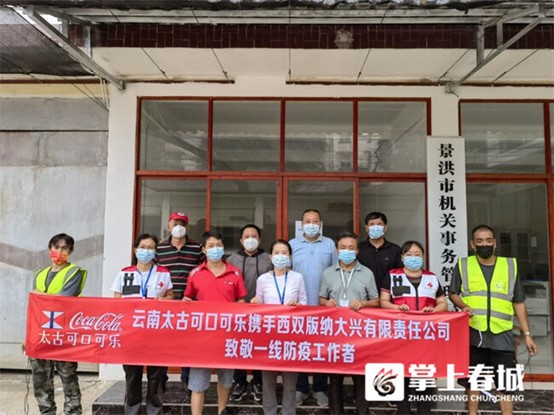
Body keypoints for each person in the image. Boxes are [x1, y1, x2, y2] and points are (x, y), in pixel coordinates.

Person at [449, 225, 538, 415]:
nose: (485, 244)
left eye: (488, 240)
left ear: (495, 243)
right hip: (474, 334)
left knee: (505, 384)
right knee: (473, 382)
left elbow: (518, 301)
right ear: (472, 244)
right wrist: (463, 305)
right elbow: (453, 293)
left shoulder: (509, 266)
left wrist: (527, 334)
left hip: (502, 335)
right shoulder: (463, 265)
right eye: (480, 241)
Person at [184, 230, 248, 415]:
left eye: (219, 245)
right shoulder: (195, 273)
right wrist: (186, 303)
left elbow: (241, 300)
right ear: (204, 250)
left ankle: (222, 411)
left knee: (226, 379)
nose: (215, 249)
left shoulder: (234, 272)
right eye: (211, 246)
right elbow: (188, 299)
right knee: (198, 382)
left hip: (227, 336)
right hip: (201, 338)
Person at [380, 240, 447, 415]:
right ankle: (403, 411)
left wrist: (433, 310)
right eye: (409, 254)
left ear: (423, 257)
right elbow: (383, 302)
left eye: (417, 254)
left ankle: (424, 411)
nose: (413, 257)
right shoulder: (392, 276)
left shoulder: (431, 277)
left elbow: (443, 303)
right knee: (401, 375)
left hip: (425, 335)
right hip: (400, 334)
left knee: (424, 375)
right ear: (402, 257)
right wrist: (396, 308)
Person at [111, 233, 174, 415]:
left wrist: (164, 300)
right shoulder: (125, 273)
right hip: (131, 333)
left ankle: (154, 411)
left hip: (157, 332)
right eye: (143, 247)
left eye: (150, 248)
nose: (146, 251)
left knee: (156, 376)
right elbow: (116, 301)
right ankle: (132, 411)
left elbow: (171, 295)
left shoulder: (163, 272)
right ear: (135, 250)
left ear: (155, 251)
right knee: (132, 376)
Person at [319, 232, 379, 415]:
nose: (347, 251)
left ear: (357, 251)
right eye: (343, 248)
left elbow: (376, 301)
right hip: (335, 333)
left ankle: (362, 411)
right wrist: (327, 302)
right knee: (335, 378)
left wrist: (363, 303)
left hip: (359, 333)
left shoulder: (367, 273)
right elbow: (321, 298)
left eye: (351, 248)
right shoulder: (328, 273)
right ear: (337, 250)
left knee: (360, 377)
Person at [28, 233, 87, 415]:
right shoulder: (40, 274)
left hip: (64, 333)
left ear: (70, 251)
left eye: (64, 248)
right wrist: (28, 337)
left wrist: (40, 295)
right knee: (41, 381)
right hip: (41, 334)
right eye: (56, 247)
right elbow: (34, 308)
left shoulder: (74, 272)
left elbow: (64, 299)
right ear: (49, 249)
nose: (59, 251)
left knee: (68, 379)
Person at [251, 239, 307, 415]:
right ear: (270, 256)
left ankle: (289, 412)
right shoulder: (263, 279)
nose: (280, 256)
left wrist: (298, 305)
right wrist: (255, 302)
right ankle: (269, 412)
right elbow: (258, 305)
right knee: (268, 381)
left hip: (291, 335)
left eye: (284, 253)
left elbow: (304, 302)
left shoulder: (297, 277)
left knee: (290, 382)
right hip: (269, 337)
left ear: (290, 256)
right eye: (277, 253)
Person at [289, 208, 337, 407]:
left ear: (320, 224)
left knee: (321, 349)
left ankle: (319, 388)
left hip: (323, 306)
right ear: (302, 225)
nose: (311, 224)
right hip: (298, 306)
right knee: (300, 349)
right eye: (307, 221)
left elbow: (336, 272)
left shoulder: (329, 244)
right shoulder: (292, 244)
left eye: (315, 221)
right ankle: (300, 388)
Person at [156, 211, 204, 397]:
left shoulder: (196, 248)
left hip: (189, 301)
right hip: (165, 302)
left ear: (187, 227)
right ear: (168, 226)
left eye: (182, 224)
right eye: (175, 223)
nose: (178, 227)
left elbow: (202, 272)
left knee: (187, 342)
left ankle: (186, 377)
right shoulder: (160, 248)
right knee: (163, 342)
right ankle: (161, 377)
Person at [227, 224, 271, 402]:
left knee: (259, 347)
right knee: (240, 346)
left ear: (260, 239)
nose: (250, 239)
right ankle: (239, 381)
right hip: (238, 311)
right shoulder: (232, 259)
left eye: (254, 236)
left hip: (263, 312)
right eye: (246, 236)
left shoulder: (268, 259)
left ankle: (258, 381)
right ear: (241, 240)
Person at [357, 211, 402, 291]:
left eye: (379, 224)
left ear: (385, 227)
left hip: (388, 294)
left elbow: (399, 274)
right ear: (366, 228)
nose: (375, 227)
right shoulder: (359, 248)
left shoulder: (395, 250)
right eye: (372, 224)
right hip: (363, 294)